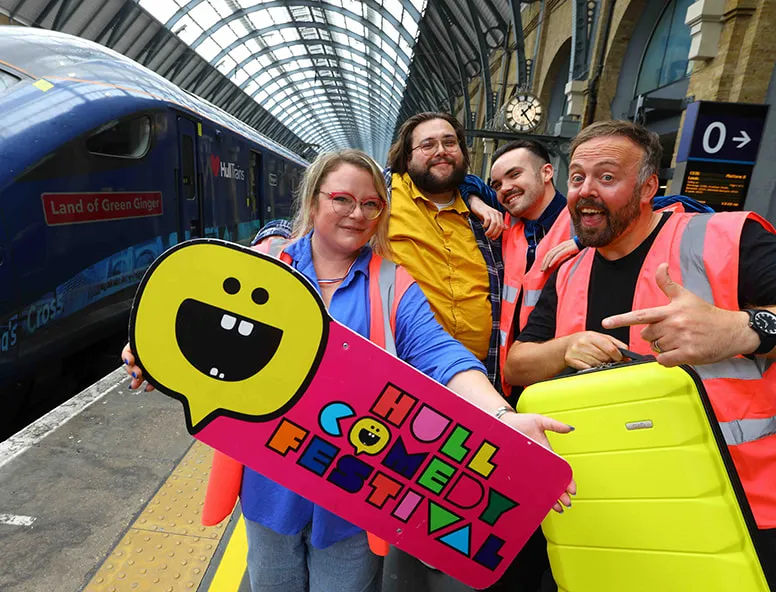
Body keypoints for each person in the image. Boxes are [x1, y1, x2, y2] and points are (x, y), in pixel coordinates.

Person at [122, 149, 575, 592]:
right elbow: (203, 334)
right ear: (314, 200)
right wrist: (151, 355)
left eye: (371, 204)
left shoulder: (393, 282)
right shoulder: (265, 269)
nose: (357, 214)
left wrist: (501, 417)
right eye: (342, 199)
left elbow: (442, 355)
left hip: (355, 494)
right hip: (268, 487)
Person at [506, 120, 776, 577]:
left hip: (740, 503)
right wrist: (565, 347)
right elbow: (517, 364)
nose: (586, 191)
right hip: (615, 504)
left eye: (607, 177)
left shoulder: (726, 238)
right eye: (577, 178)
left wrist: (742, 329)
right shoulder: (569, 270)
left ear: (649, 186)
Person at [384, 112, 505, 389]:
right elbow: (329, 206)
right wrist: (273, 238)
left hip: (480, 379)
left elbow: (546, 216)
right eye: (428, 145)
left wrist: (473, 196)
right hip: (403, 370)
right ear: (406, 157)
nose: (441, 151)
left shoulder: (486, 213)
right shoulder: (383, 196)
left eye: (450, 143)